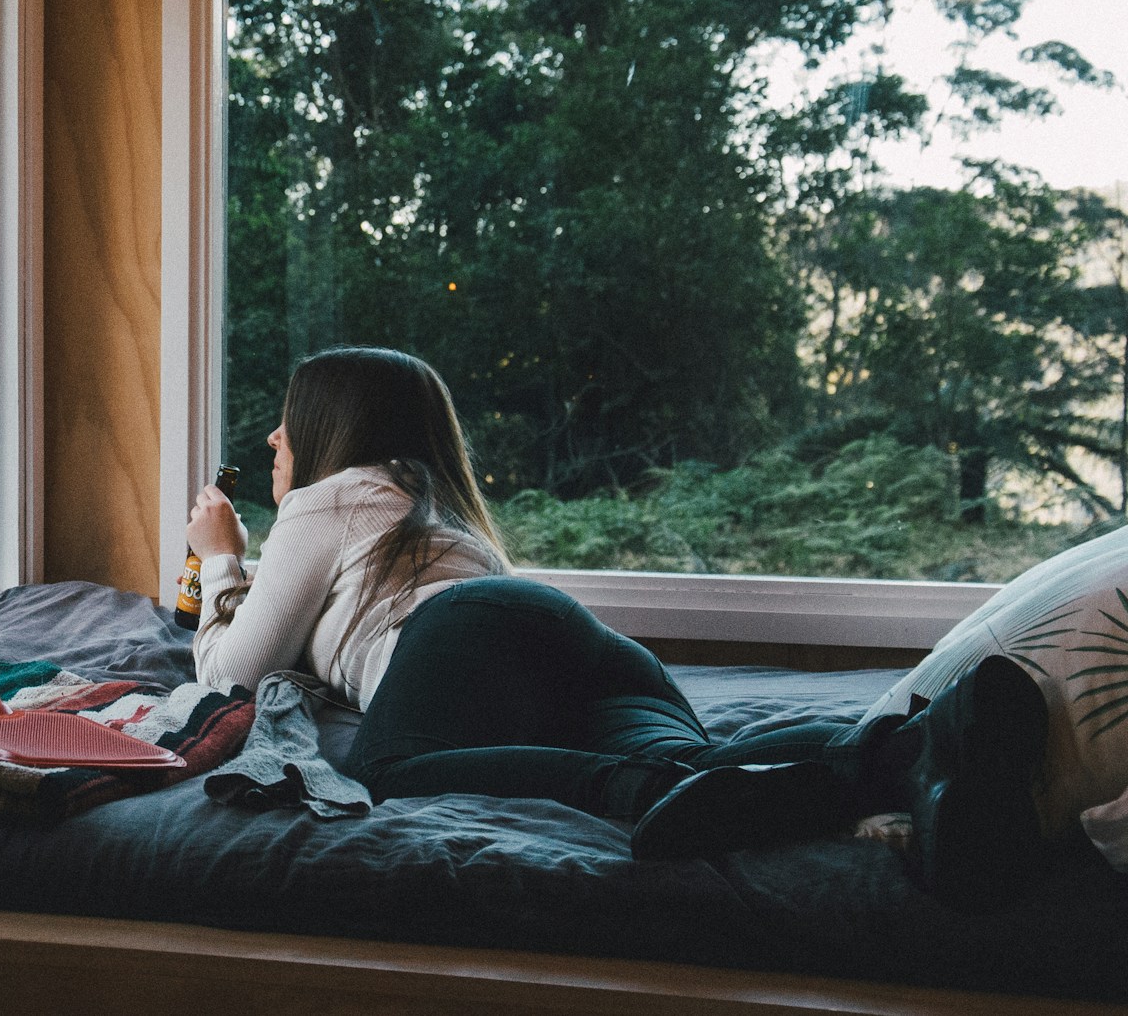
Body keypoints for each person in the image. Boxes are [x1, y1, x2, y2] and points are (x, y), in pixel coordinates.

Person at [187, 346, 1050, 911]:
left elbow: (232, 672)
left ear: (336, 427)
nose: (271, 434)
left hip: (462, 634)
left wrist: (219, 557)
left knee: (386, 767)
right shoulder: (432, 511)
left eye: (289, 414)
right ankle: (916, 751)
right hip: (570, 638)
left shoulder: (328, 497)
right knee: (695, 767)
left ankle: (626, 792)